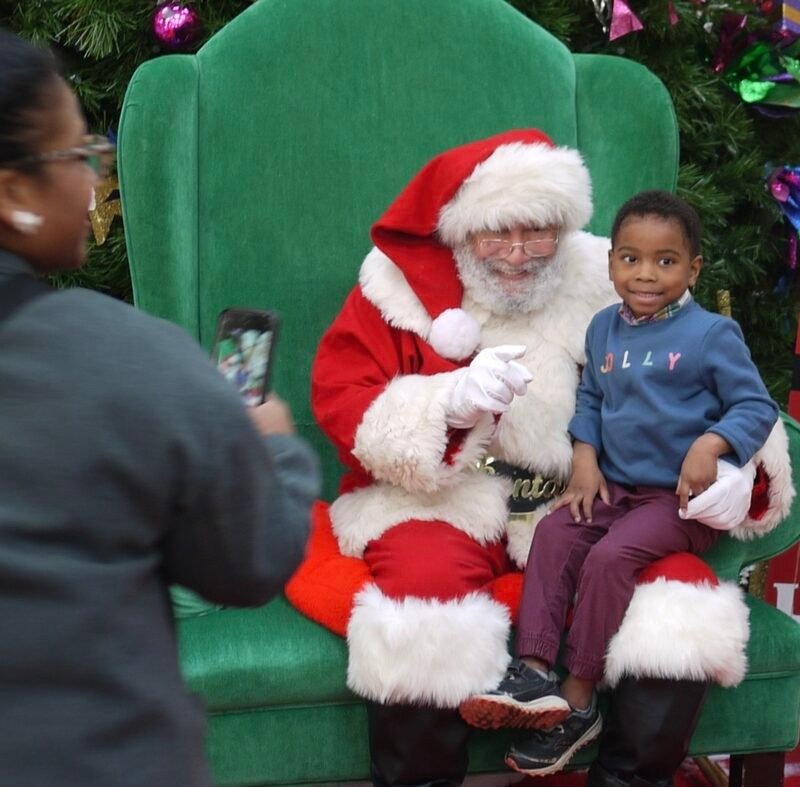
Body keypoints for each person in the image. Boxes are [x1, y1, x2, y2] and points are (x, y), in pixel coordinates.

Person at [287, 130, 794, 787]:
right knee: (422, 600)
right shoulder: (395, 289)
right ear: (462, 231)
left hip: (584, 500)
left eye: (540, 232)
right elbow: (341, 400)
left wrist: (739, 467)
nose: (520, 253)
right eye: (498, 234)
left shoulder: (609, 272)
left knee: (680, 597)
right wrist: (448, 404)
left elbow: (708, 371)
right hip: (438, 500)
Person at [0, 30, 317, 787]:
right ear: (13, 192)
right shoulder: (123, 359)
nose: (93, 184)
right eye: (79, 157)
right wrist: (273, 449)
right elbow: (246, 562)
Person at [460, 190, 779, 777]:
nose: (646, 274)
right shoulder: (605, 328)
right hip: (617, 488)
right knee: (557, 532)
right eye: (630, 259)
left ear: (693, 269)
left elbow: (755, 406)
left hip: (676, 502)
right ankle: (533, 674)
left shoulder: (712, 335)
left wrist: (711, 445)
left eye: (666, 261)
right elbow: (592, 397)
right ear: (611, 264)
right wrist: (585, 454)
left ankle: (580, 700)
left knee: (608, 559)